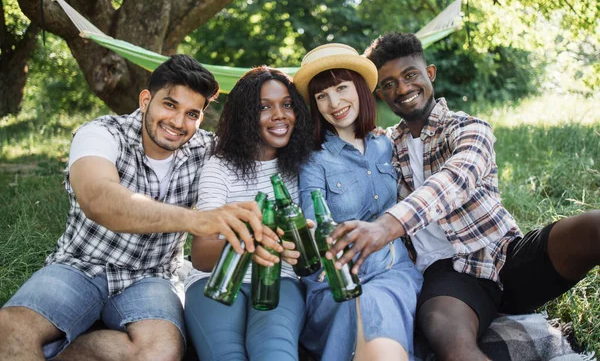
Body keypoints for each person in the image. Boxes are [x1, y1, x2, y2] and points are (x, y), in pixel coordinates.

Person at [323, 32, 600, 360]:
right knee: (447, 336)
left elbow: (455, 180)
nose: (402, 88)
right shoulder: (383, 146)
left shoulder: (470, 128)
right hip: (448, 276)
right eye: (389, 84)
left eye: (410, 75)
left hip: (502, 254)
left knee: (593, 227)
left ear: (431, 73)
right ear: (380, 94)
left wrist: (386, 227)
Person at [0, 55, 279, 361]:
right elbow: (100, 199)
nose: (177, 122)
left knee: (160, 353)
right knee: (10, 329)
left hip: (154, 276)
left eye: (192, 114)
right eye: (169, 105)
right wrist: (197, 221)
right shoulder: (101, 133)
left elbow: (264, 151)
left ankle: (72, 346)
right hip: (80, 265)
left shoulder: (208, 150)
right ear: (146, 100)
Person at [293, 43, 423, 361]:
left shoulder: (387, 143)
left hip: (391, 270)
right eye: (322, 95)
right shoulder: (313, 160)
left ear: (360, 89)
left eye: (341, 88)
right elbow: (314, 227)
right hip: (336, 277)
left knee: (380, 326)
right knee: (357, 320)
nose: (334, 103)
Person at [184, 66, 314, 361]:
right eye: (264, 107)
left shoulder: (302, 167)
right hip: (215, 279)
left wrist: (302, 240)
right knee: (226, 355)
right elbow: (202, 255)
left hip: (280, 279)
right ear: (245, 116)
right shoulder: (220, 167)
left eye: (287, 105)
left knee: (274, 352)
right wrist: (253, 243)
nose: (279, 115)